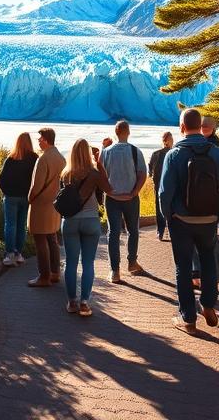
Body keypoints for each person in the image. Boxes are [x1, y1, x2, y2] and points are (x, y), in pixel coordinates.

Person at [159, 108, 219, 334]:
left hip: (181, 221)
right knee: (208, 262)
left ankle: (188, 318)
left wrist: (169, 216)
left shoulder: (173, 155)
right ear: (200, 126)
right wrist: (215, 206)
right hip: (208, 220)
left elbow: (164, 192)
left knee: (183, 267)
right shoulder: (217, 153)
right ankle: (209, 304)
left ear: (182, 127)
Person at [60, 138, 113, 316]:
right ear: (89, 153)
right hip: (91, 221)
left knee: (71, 263)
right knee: (88, 263)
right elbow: (109, 189)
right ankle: (84, 302)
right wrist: (100, 166)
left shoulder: (66, 174)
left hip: (70, 221)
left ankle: (71, 302)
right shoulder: (95, 173)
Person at [100, 120, 147, 283]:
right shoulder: (136, 151)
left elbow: (100, 172)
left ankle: (115, 271)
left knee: (113, 233)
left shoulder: (106, 152)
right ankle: (132, 263)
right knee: (133, 231)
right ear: (128, 132)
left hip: (112, 198)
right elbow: (142, 174)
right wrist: (135, 191)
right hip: (131, 198)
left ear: (116, 132)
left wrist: (108, 190)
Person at [27, 127, 66, 288]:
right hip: (55, 204)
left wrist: (30, 198)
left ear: (45, 140)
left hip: (41, 204)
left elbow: (37, 185)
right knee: (52, 238)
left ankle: (44, 276)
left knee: (40, 239)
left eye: (39, 139)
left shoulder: (43, 159)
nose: (38, 142)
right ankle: (55, 273)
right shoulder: (61, 158)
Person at [193, 116, 219, 285]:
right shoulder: (218, 148)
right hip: (212, 200)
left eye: (205, 126)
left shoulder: (199, 146)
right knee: (210, 239)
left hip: (196, 201)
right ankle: (212, 274)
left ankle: (205, 275)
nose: (203, 128)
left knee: (202, 241)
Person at [0, 132, 38, 266]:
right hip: (26, 197)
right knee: (21, 226)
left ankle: (9, 254)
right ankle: (19, 254)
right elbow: (36, 179)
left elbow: (1, 179)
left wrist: (5, 192)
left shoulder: (11, 158)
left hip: (11, 197)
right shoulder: (34, 159)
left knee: (10, 225)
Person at [148, 132, 173, 240]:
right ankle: (166, 230)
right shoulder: (172, 153)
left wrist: (152, 176)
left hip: (159, 185)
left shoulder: (156, 153)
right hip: (167, 184)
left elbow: (150, 169)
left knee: (160, 207)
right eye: (171, 139)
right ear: (167, 140)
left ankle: (161, 231)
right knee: (169, 207)